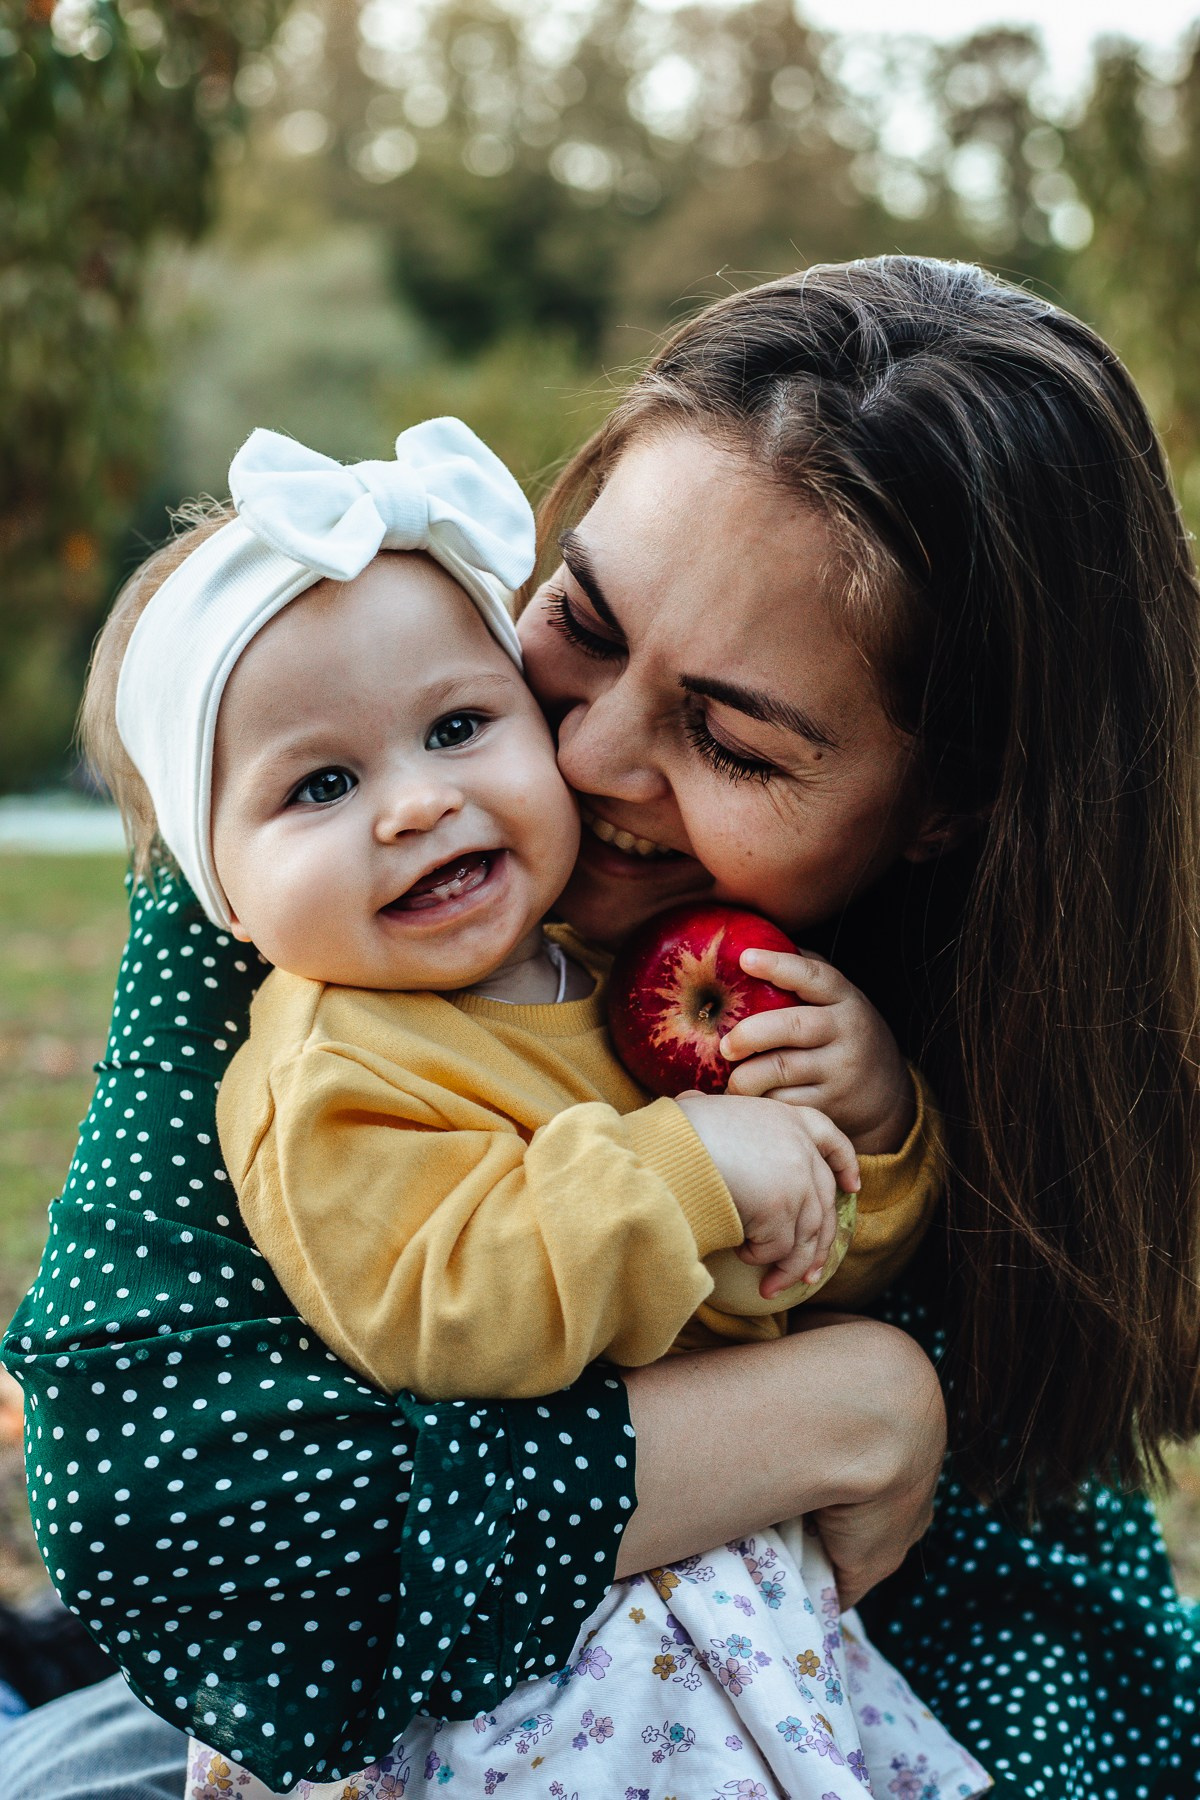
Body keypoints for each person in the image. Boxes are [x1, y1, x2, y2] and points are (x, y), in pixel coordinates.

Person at [4, 254, 1198, 1799]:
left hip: (862, 1673)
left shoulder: (945, 1004)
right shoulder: (316, 808)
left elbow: (1014, 1549)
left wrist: (887, 1131)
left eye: (730, 739)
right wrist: (834, 1407)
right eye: (577, 615)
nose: (581, 750)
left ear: (948, 814)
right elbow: (185, 1514)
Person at [94, 414, 978, 1798]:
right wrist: (686, 1166)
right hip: (514, 1691)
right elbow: (441, 1310)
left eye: (458, 727)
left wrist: (863, 1129)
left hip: (733, 1630)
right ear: (218, 897)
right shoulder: (328, 1064)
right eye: (323, 785)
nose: (414, 805)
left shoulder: (617, 974)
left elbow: (789, 1275)